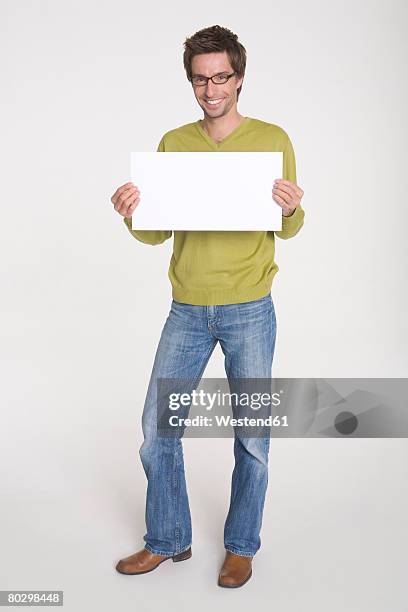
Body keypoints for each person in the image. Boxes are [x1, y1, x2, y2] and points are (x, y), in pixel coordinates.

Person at [111, 24, 305, 588]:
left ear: (238, 78)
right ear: (192, 84)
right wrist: (132, 211)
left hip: (250, 306)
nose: (211, 89)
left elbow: (289, 228)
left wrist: (292, 210)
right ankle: (167, 538)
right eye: (200, 80)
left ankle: (242, 546)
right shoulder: (174, 142)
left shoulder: (273, 139)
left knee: (252, 435)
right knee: (156, 427)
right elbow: (155, 236)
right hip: (187, 308)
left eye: (221, 77)